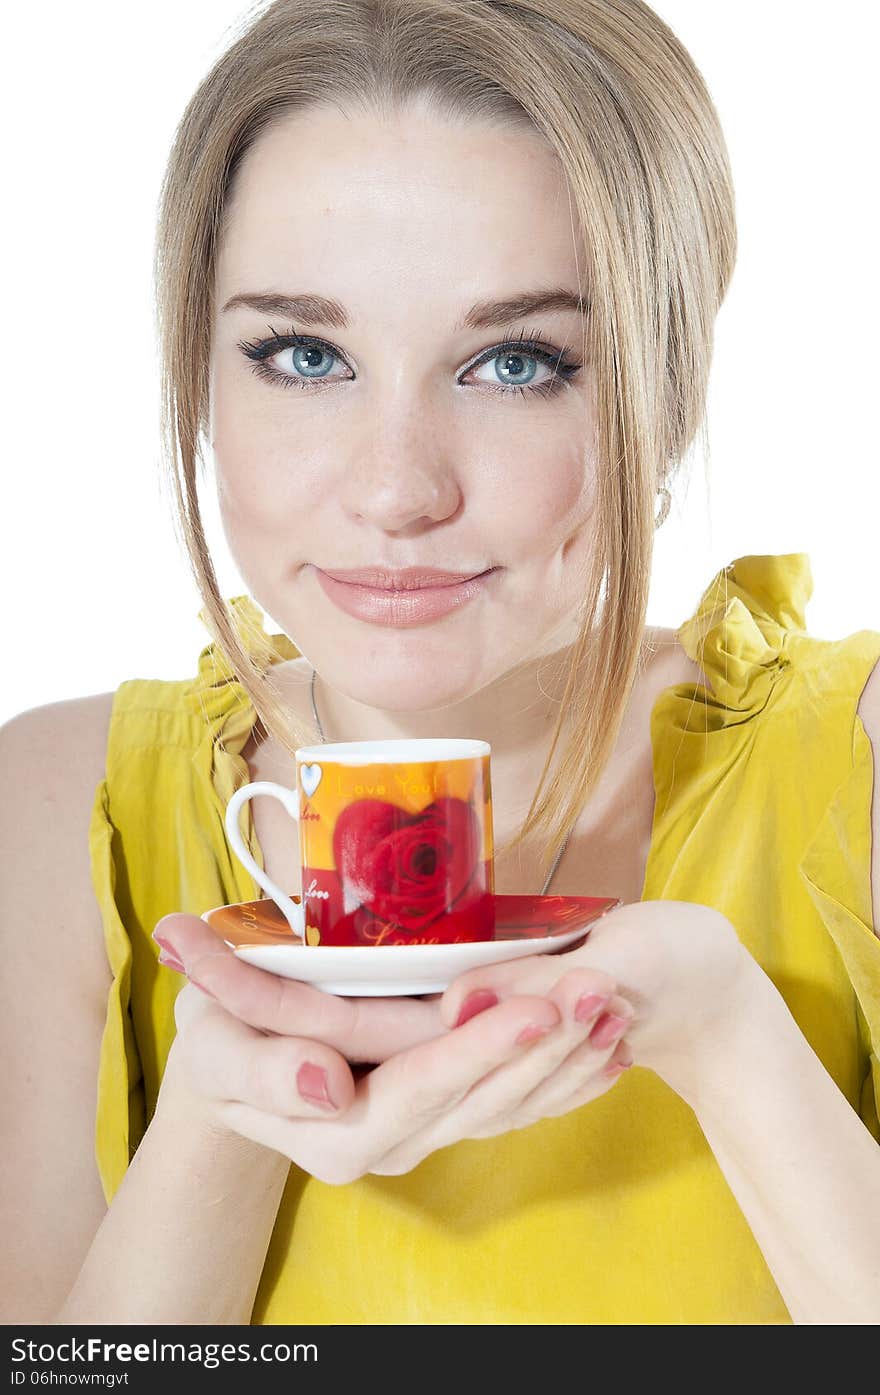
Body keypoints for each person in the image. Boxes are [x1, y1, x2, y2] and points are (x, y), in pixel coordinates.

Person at [3, 0, 879, 1327]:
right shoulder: (60, 812)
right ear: (200, 372)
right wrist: (220, 1123)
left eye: (514, 363)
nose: (398, 488)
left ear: (668, 385)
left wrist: (725, 1037)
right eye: (304, 356)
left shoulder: (852, 774)